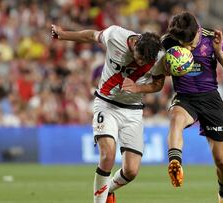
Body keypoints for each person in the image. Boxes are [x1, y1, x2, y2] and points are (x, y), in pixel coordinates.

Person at [122, 12, 223, 203]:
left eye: (190, 43)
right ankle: (175, 162)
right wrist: (166, 69)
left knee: (222, 163)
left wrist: (218, 52)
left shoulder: (212, 39)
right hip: (185, 98)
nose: (186, 47)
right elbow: (158, 75)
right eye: (181, 43)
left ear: (197, 31)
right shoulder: (167, 42)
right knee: (176, 119)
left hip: (211, 99)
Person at [51, 24, 164, 203]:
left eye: (145, 61)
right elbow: (90, 36)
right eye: (140, 58)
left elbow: (158, 84)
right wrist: (63, 35)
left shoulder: (158, 57)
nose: (141, 63)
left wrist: (139, 87)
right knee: (107, 155)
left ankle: (107, 190)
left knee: (131, 171)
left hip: (133, 111)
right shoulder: (115, 36)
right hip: (106, 104)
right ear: (135, 45)